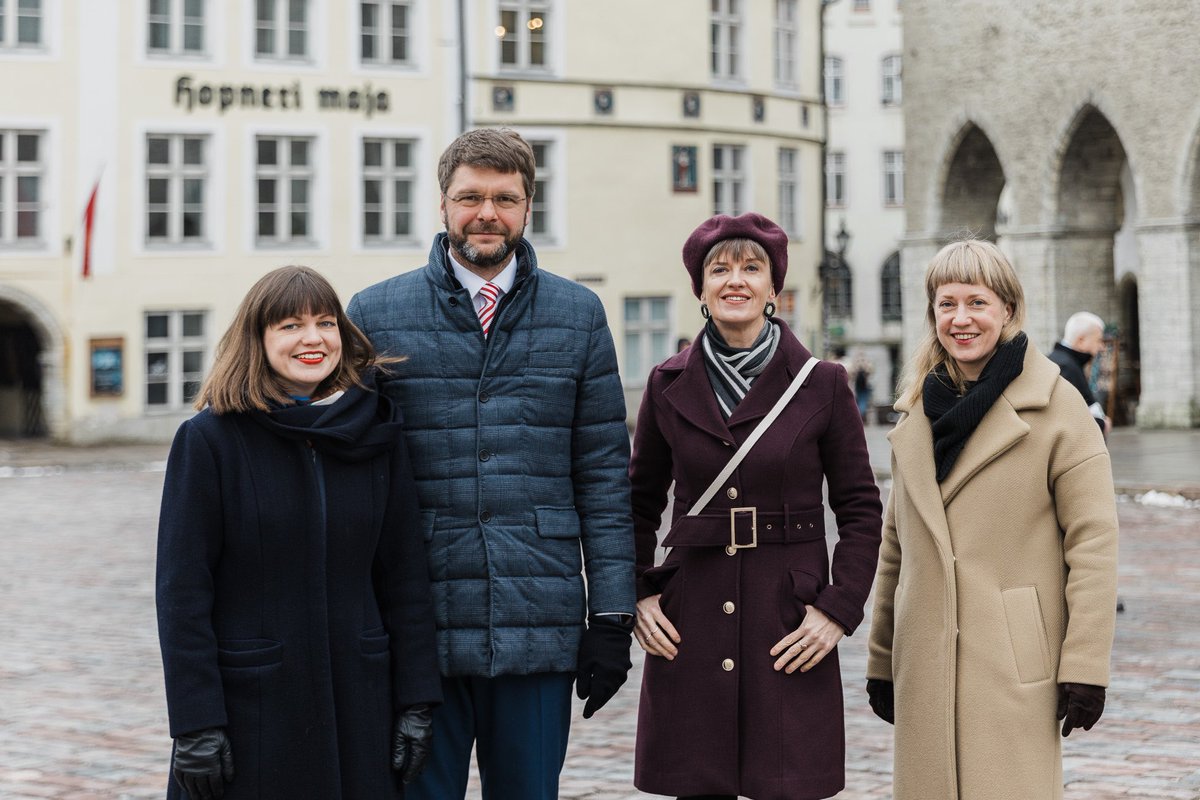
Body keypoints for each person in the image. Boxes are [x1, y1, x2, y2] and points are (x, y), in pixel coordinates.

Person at [346, 128, 635, 800]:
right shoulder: (375, 313)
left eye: (504, 198)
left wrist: (613, 617)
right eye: (469, 196)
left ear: (529, 206)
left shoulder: (578, 314)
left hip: (539, 615)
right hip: (420, 624)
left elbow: (602, 477)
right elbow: (354, 477)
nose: (486, 213)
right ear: (442, 205)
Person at [156, 265, 441, 800]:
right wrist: (195, 722)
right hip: (254, 708)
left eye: (326, 322)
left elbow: (404, 576)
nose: (313, 338)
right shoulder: (209, 441)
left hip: (362, 704)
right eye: (290, 325)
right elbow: (182, 594)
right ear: (258, 340)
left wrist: (417, 701)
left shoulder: (376, 432)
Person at [629, 212, 884, 800]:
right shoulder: (665, 385)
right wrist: (637, 594)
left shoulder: (822, 384)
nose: (734, 280)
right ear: (700, 288)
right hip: (689, 616)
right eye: (718, 269)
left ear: (774, 288)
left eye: (751, 268)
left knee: (787, 785)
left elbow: (861, 509)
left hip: (788, 618)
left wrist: (837, 608)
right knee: (699, 782)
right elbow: (636, 505)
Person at [865, 240, 1119, 800]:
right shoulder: (915, 413)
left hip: (1012, 662)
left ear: (1007, 309)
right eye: (946, 304)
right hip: (924, 661)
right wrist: (883, 657)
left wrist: (1085, 666)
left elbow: (1093, 544)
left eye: (976, 302)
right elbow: (895, 547)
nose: (961, 319)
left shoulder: (1057, 405)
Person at [1048, 311, 1111, 437]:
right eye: (1098, 340)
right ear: (1081, 340)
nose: (1101, 347)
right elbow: (1066, 418)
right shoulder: (1065, 367)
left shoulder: (1065, 361)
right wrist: (1101, 424)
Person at [851, 349, 875, 423]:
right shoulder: (861, 363)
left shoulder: (862, 363)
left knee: (862, 401)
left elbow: (870, 371)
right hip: (860, 386)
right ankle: (860, 416)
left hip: (863, 386)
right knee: (861, 401)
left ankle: (860, 416)